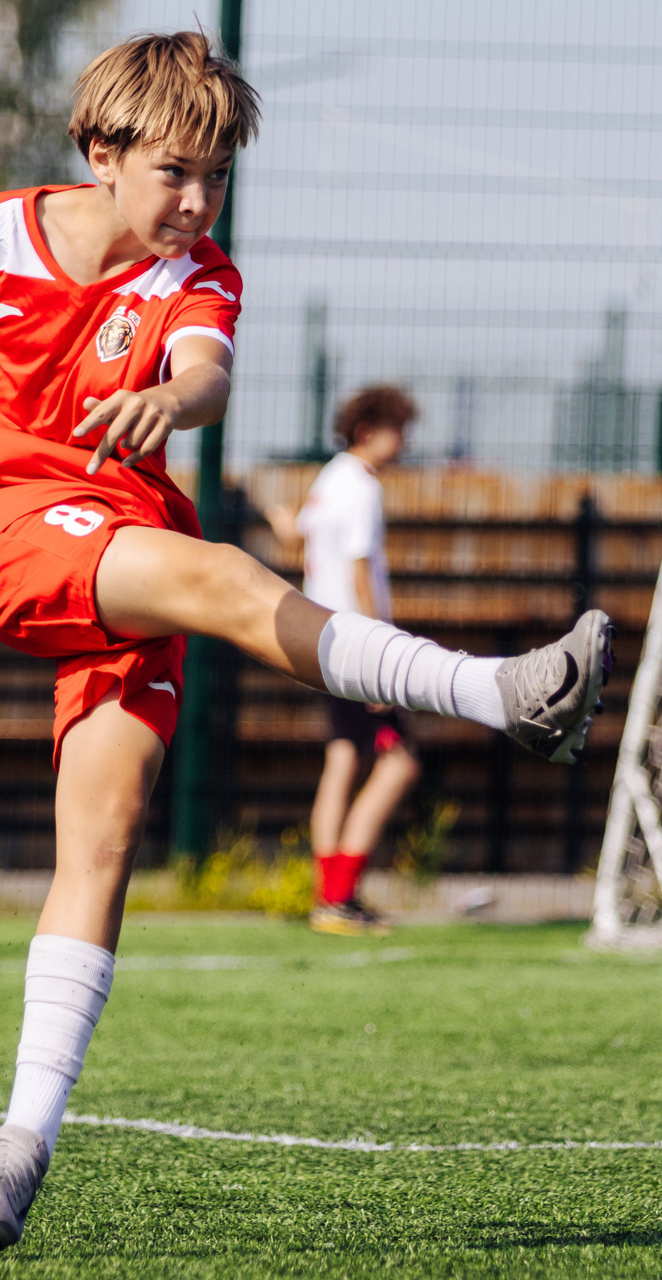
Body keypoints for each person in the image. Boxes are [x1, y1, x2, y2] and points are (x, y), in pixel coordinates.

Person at [0, 33, 612, 1250]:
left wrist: (173, 397)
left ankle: (18, 1141)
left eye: (217, 175)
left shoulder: (198, 275)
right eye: (176, 170)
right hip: (13, 526)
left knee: (107, 833)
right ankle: (501, 692)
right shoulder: (1, 232)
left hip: (129, 539)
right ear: (102, 153)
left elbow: (206, 373)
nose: (197, 198)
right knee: (225, 574)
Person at [264, 386, 422, 937]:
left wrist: (280, 519)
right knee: (400, 763)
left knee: (343, 759)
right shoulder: (363, 487)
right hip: (358, 646)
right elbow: (359, 569)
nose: (404, 442)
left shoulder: (329, 479)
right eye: (398, 431)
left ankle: (327, 898)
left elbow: (296, 538)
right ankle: (339, 895)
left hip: (323, 641)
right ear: (368, 431)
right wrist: (383, 654)